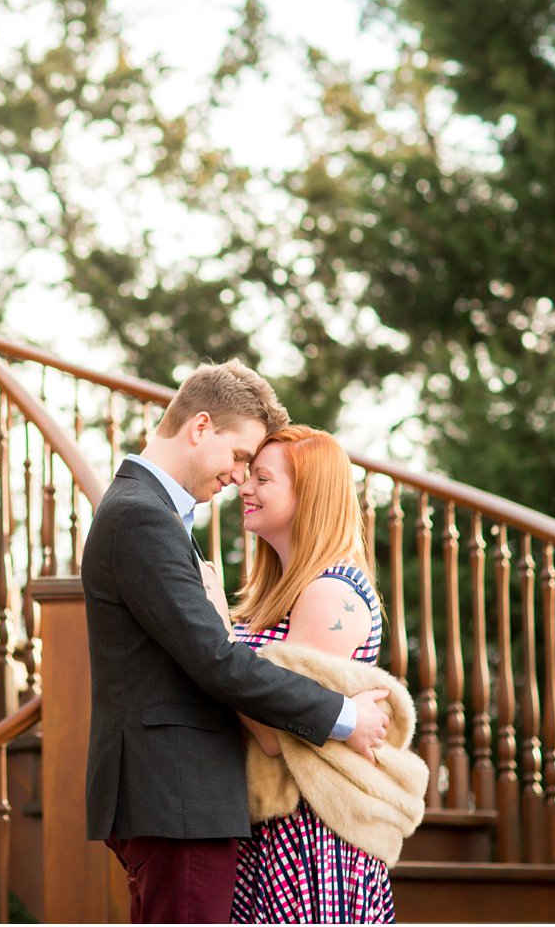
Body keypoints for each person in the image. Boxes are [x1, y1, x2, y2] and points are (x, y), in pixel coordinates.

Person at [81, 361, 390, 925]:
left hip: (215, 813)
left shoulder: (149, 515)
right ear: (200, 427)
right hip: (179, 799)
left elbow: (216, 658)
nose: (241, 478)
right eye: (242, 457)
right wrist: (342, 715)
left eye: (257, 470)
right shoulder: (142, 518)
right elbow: (215, 660)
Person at [228, 425, 400, 923]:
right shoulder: (282, 592)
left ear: (310, 498)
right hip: (275, 822)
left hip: (309, 834)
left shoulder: (331, 595)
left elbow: (273, 732)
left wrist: (212, 656)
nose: (245, 487)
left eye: (263, 478)